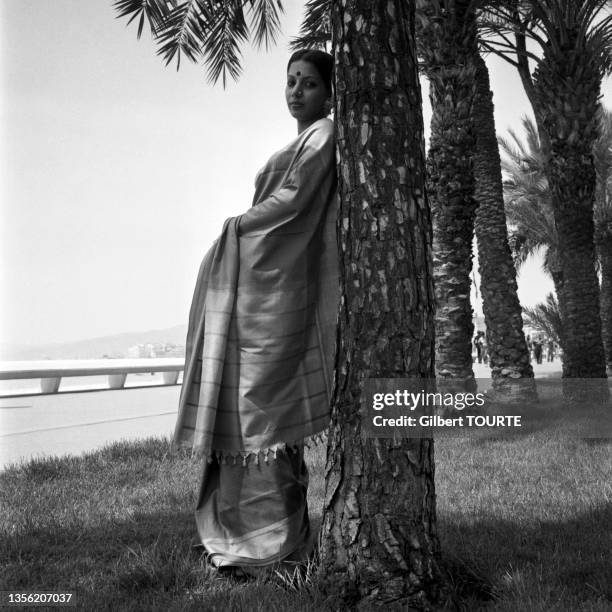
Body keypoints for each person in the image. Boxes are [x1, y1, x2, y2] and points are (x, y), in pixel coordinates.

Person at [173, 49, 339, 574]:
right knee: (246, 401)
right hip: (263, 290)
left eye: (308, 83)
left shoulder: (324, 137)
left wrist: (236, 227)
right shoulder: (305, 139)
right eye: (290, 81)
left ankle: (273, 539)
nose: (295, 91)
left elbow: (291, 206)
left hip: (280, 292)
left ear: (330, 93)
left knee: (263, 403)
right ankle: (242, 531)